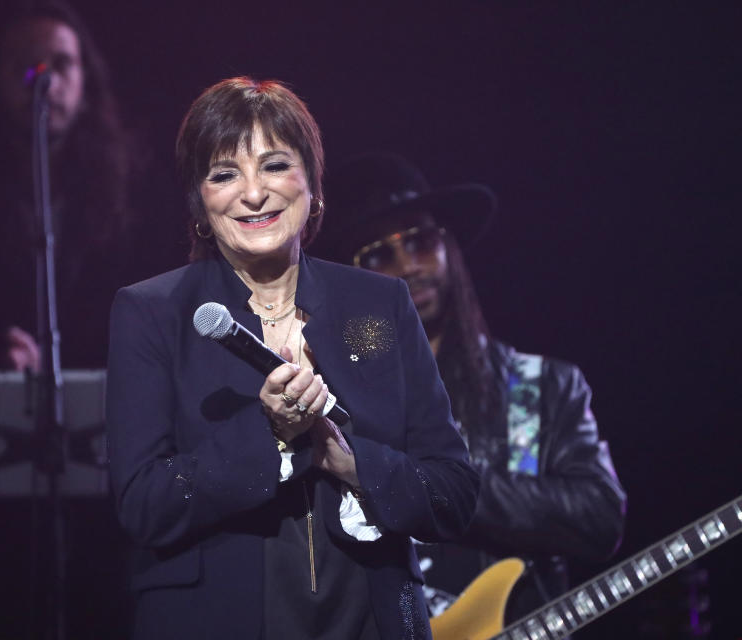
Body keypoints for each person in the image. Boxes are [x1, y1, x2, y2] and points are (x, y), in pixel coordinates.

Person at [106, 77, 480, 640]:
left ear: (313, 186)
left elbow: (452, 493)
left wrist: (346, 460)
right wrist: (273, 437)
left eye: (275, 165)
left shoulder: (377, 304)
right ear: (200, 205)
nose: (253, 193)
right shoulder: (153, 313)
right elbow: (145, 504)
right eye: (224, 174)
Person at [315, 152, 627, 625]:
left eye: (420, 242)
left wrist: (435, 482)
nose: (408, 266)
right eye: (378, 255)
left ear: (449, 249)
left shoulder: (540, 386)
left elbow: (600, 518)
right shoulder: (338, 399)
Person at [0, 1, 140, 637]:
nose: (43, 81)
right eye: (24, 67)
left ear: (86, 79)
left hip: (106, 483)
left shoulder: (131, 191)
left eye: (61, 64)